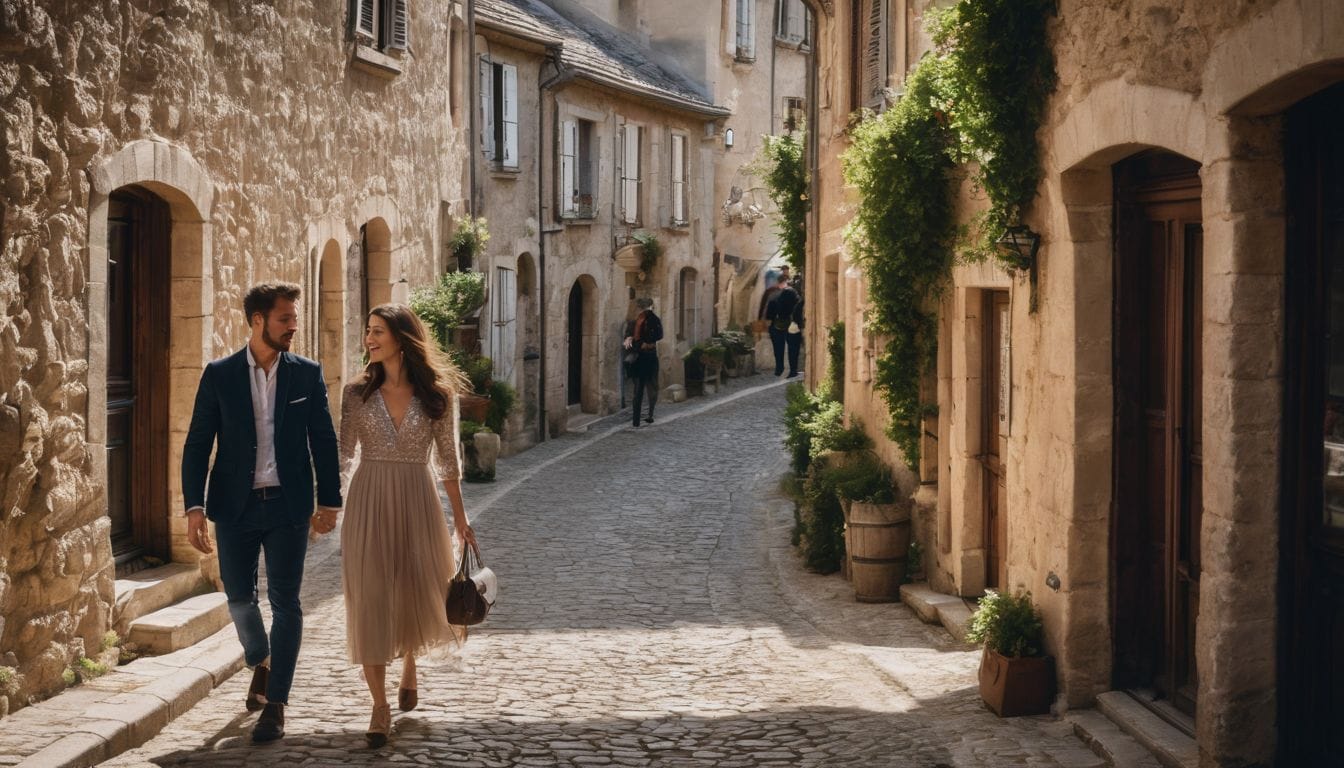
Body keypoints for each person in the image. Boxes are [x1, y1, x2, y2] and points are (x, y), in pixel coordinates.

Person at [181, 282, 342, 744]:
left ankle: (277, 703)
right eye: (285, 318)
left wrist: (329, 500)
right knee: (238, 598)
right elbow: (197, 443)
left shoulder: (306, 374)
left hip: (289, 506)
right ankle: (261, 658)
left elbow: (324, 440)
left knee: (287, 602)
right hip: (235, 505)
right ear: (257, 321)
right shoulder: (219, 374)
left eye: (294, 318)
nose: (293, 326)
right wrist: (194, 506)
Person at [338, 304, 477, 748]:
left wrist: (461, 517)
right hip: (368, 499)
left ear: (402, 337)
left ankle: (410, 663)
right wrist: (326, 507)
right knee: (371, 597)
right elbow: (343, 455)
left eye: (377, 331)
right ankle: (379, 706)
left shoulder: (437, 394)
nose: (369, 339)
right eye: (367, 331)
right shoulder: (354, 393)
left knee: (415, 588)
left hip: (418, 499)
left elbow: (448, 462)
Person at [624, 296, 663, 427]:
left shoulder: (653, 319)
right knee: (641, 388)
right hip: (641, 357)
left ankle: (648, 415)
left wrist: (646, 343)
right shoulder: (634, 321)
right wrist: (631, 341)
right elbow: (628, 335)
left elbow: (658, 335)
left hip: (647, 356)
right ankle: (638, 419)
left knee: (648, 388)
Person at [765, 275, 802, 377]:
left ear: (778, 282)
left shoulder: (773, 294)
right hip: (792, 324)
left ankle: (779, 369)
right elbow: (799, 308)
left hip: (776, 324)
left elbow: (769, 314)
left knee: (778, 349)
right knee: (793, 349)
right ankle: (793, 370)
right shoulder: (795, 293)